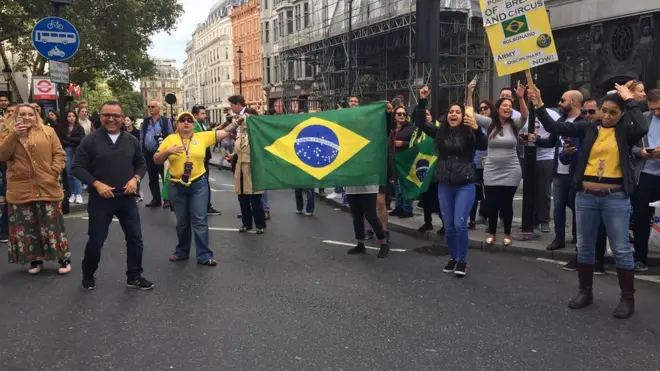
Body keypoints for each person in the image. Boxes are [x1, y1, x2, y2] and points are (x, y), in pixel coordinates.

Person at [530, 84, 647, 319]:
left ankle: (627, 298)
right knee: (584, 247)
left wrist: (630, 100)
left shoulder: (626, 131)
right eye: (604, 110)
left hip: (615, 198)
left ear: (622, 113)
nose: (606, 115)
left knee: (622, 249)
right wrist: (539, 104)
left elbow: (642, 126)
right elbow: (554, 126)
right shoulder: (588, 127)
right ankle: (585, 292)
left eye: (613, 112)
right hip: (585, 196)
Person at [72, 101, 152, 291]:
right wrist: (97, 184)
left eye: (115, 116)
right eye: (106, 115)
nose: (111, 119)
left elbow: (141, 164)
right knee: (96, 240)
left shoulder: (131, 140)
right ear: (100, 117)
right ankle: (88, 274)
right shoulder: (90, 141)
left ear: (122, 117)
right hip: (101, 200)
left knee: (135, 239)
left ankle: (134, 276)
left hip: (126, 198)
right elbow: (77, 167)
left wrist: (135, 179)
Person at [414, 87, 487, 275]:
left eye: (457, 112)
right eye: (451, 112)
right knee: (448, 225)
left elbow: (483, 144)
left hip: (465, 183)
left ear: (463, 116)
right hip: (445, 184)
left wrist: (477, 129)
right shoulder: (440, 132)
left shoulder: (470, 132)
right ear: (447, 116)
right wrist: (422, 101)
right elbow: (421, 122)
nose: (454, 114)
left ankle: (462, 261)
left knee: (459, 224)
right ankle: (453, 257)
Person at [155, 112, 239, 265]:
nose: (186, 123)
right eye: (182, 120)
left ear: (193, 124)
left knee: (200, 220)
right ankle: (181, 252)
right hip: (176, 184)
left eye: (189, 120)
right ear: (177, 124)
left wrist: (239, 121)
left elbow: (225, 132)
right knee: (182, 221)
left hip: (198, 184)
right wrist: (167, 151)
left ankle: (204, 256)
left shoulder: (201, 137)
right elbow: (156, 159)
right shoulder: (170, 139)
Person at [0, 103, 70, 275]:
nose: (27, 117)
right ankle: (35, 260)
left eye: (30, 114)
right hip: (20, 188)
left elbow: (59, 154)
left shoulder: (48, 132)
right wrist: (14, 136)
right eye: (22, 114)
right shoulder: (7, 133)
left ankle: (63, 259)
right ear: (15, 116)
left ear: (36, 115)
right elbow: (2, 155)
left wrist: (53, 172)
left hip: (46, 185)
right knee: (27, 227)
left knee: (53, 225)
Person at [471, 82, 529, 246]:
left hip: (511, 169)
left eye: (510, 106)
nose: (508, 108)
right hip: (492, 169)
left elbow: (525, 115)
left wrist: (520, 97)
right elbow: (470, 113)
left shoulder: (514, 124)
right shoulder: (489, 123)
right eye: (504, 105)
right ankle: (492, 233)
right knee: (491, 203)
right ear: (498, 108)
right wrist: (469, 93)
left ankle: (508, 234)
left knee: (506, 203)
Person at [233, 106, 267, 233]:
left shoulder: (257, 136)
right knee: (242, 199)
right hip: (240, 169)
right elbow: (238, 150)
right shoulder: (240, 135)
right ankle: (246, 224)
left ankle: (260, 225)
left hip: (252, 168)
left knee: (255, 199)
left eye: (245, 118)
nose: (242, 120)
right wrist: (231, 155)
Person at [141, 100, 173, 208]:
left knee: (165, 176)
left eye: (153, 106)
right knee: (152, 178)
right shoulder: (145, 122)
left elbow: (171, 136)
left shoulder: (165, 121)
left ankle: (167, 199)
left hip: (162, 153)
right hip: (149, 154)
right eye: (149, 106)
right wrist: (142, 150)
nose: (150, 108)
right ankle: (156, 199)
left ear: (159, 108)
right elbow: (142, 136)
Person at [192, 105, 221, 216]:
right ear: (195, 115)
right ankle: (205, 206)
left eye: (205, 113)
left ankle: (206, 205)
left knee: (204, 183)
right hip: (200, 158)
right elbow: (202, 137)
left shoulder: (202, 124)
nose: (205, 115)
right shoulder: (195, 125)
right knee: (202, 183)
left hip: (205, 158)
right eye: (202, 113)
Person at [59, 110, 86, 204]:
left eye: (73, 116)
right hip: (67, 151)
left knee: (76, 173)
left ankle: (78, 194)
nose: (71, 118)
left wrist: (69, 138)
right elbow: (61, 140)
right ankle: (73, 193)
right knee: (69, 173)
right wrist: (70, 140)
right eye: (69, 116)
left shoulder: (79, 127)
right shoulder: (63, 128)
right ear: (66, 118)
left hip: (76, 151)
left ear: (75, 117)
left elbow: (81, 139)